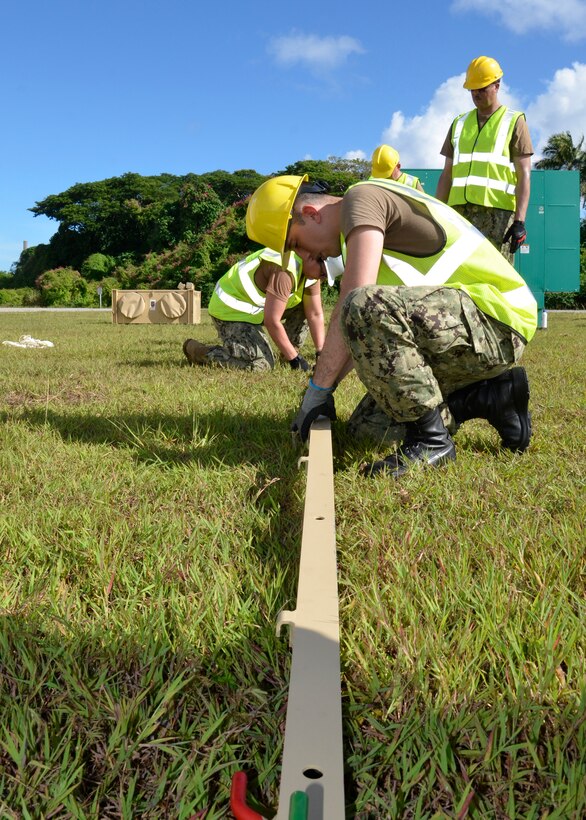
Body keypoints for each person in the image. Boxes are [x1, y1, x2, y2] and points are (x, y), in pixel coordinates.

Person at [245, 174, 537, 478]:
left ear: (310, 214)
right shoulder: (357, 233)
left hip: (497, 320)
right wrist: (325, 390)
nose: (305, 258)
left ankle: (432, 441)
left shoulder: (361, 199)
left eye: (296, 245)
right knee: (367, 430)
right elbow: (358, 337)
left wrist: (317, 392)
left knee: (360, 303)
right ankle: (491, 398)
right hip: (465, 328)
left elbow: (355, 304)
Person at [435, 56, 533, 264]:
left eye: (482, 88)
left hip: (497, 218)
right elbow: (447, 174)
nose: (476, 94)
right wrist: (437, 212)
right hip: (459, 216)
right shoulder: (459, 123)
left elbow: (524, 174)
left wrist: (519, 221)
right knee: (458, 274)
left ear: (496, 86)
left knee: (497, 280)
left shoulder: (514, 122)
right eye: (472, 89)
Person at [183, 247, 325, 372]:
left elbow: (315, 313)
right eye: (324, 273)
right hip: (231, 310)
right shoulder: (285, 269)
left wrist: (321, 354)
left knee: (305, 307)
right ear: (313, 257)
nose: (323, 278)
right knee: (260, 365)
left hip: (257, 309)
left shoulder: (311, 268)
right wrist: (296, 360)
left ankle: (287, 353)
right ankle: (198, 351)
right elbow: (272, 321)